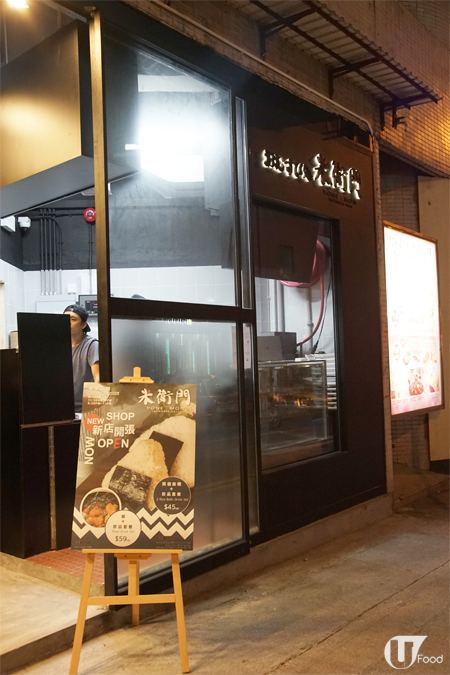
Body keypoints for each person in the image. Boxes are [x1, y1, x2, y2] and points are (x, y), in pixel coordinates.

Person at [63, 304, 100, 414]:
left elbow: (98, 378)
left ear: (83, 324)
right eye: (65, 319)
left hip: (83, 410)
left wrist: (92, 409)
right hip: (62, 407)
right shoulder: (58, 345)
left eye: (73, 319)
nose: (68, 322)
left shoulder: (91, 345)